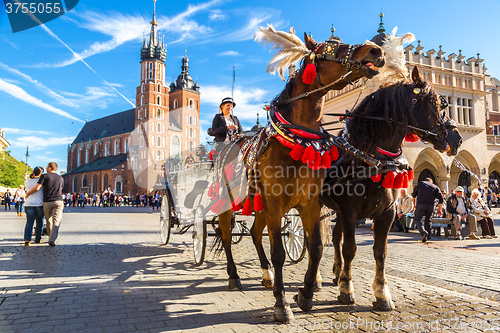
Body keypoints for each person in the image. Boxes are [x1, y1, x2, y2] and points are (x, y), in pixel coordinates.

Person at [25, 162, 64, 246]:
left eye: (47, 167)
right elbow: (60, 189)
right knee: (56, 221)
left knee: (48, 220)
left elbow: (37, 187)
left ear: (50, 168)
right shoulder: (61, 178)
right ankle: (52, 239)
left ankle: (50, 237)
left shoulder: (44, 176)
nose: (46, 169)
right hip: (59, 201)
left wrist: (28, 193)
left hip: (47, 201)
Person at [411, 178, 444, 242]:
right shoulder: (435, 187)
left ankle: (423, 232)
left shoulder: (420, 184)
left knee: (417, 218)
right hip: (431, 206)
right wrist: (440, 209)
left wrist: (414, 205)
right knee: (428, 219)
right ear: (431, 182)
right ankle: (428, 235)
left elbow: (413, 195)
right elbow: (441, 199)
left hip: (421, 204)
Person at [23, 167, 45, 246]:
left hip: (29, 203)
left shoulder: (26, 181)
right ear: (41, 173)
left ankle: (27, 239)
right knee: (39, 221)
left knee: (29, 222)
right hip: (39, 204)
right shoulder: (42, 182)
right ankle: (37, 239)